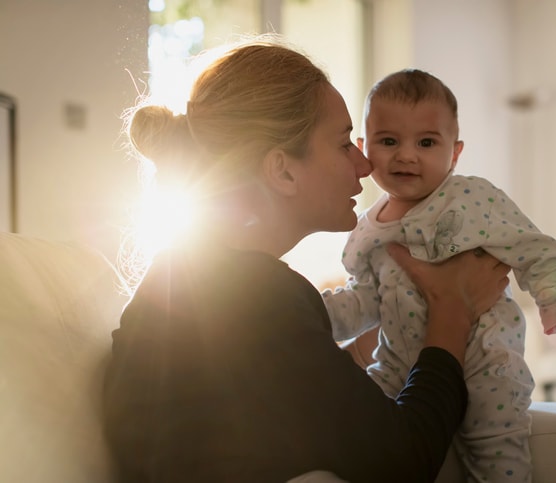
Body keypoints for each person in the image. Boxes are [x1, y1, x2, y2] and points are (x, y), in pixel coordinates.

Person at [102, 36, 513, 483]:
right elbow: (403, 460)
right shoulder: (254, 295)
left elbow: (295, 399)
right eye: (342, 144)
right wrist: (452, 311)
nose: (364, 164)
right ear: (282, 170)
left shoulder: (196, 278)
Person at [321, 69, 556, 483]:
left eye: (426, 142)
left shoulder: (471, 198)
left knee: (495, 444)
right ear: (364, 147)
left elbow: (533, 248)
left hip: (484, 356)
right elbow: (364, 299)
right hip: (398, 362)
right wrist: (314, 315)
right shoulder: (366, 227)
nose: (406, 155)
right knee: (358, 430)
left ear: (455, 152)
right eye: (389, 141)